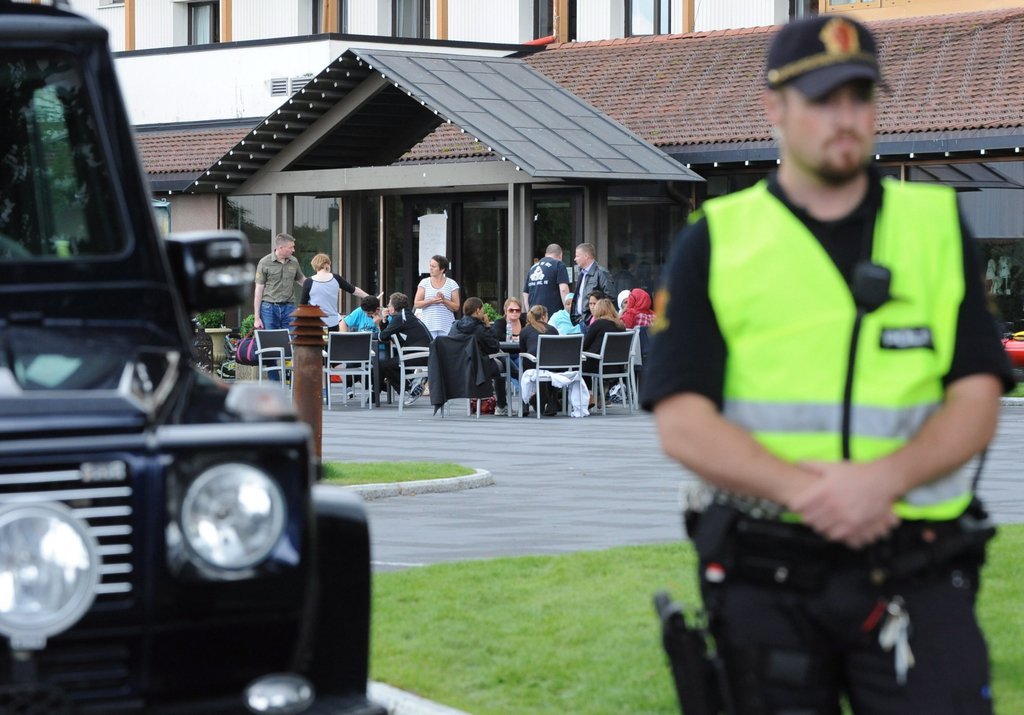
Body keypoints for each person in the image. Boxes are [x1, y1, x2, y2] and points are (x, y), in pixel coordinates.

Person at [642, 15, 1014, 715]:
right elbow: (681, 420)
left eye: (859, 96)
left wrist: (882, 482)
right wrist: (813, 493)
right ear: (774, 108)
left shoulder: (936, 226)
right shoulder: (715, 240)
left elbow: (977, 396)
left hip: (913, 564)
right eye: (821, 99)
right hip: (767, 571)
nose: (845, 117)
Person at [448, 297, 507, 414]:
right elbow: (494, 347)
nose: (484, 312)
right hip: (479, 368)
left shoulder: (455, 326)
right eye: (483, 309)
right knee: (503, 365)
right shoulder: (479, 328)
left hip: (458, 367)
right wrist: (488, 327)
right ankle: (501, 405)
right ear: (478, 310)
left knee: (503, 361)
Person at [378, 292, 431, 402]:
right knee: (392, 362)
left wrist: (382, 322)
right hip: (425, 353)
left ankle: (411, 389)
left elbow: (383, 336)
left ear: (393, 308)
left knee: (386, 365)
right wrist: (384, 320)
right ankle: (413, 384)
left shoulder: (400, 318)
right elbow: (388, 335)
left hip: (421, 355)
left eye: (389, 305)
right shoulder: (406, 315)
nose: (387, 307)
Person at [300, 253, 373, 331]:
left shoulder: (308, 282)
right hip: (332, 322)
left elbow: (303, 305)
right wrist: (370, 297)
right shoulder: (336, 278)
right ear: (326, 265)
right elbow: (354, 290)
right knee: (332, 339)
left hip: (315, 323)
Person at [253, 233, 305, 331]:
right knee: (271, 339)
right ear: (280, 248)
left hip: (289, 308)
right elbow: (258, 290)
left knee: (293, 338)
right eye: (291, 247)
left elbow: (301, 280)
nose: (293, 250)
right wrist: (257, 318)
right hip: (269, 309)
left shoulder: (294, 261)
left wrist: (317, 284)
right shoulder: (264, 262)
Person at [518, 305, 560, 417]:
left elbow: (522, 350)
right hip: (551, 364)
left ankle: (525, 403)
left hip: (532, 363)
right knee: (552, 367)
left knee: (523, 361)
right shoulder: (553, 330)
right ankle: (552, 404)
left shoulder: (525, 330)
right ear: (544, 316)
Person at [581, 297, 624, 394]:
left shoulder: (598, 324)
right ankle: (600, 394)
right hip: (618, 367)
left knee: (579, 365)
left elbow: (584, 346)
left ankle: (589, 395)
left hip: (600, 365)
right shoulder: (621, 325)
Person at [415, 254, 461, 339]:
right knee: (430, 347)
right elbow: (417, 304)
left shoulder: (452, 284)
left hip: (446, 326)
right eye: (430, 266)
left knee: (445, 347)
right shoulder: (424, 282)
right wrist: (431, 301)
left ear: (442, 269)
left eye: (433, 266)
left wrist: (444, 300)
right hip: (428, 325)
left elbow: (456, 307)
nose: (430, 268)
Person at [571, 242, 614, 329]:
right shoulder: (581, 274)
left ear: (586, 256)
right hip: (581, 320)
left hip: (594, 321)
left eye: (577, 256)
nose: (575, 259)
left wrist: (596, 317)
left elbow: (610, 298)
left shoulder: (601, 273)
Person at [522, 243, 570, 317]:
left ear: (545, 254)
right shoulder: (559, 265)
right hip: (553, 315)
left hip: (534, 314)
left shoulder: (533, 268)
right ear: (560, 255)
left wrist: (529, 312)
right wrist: (568, 311)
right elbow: (563, 289)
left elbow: (525, 293)